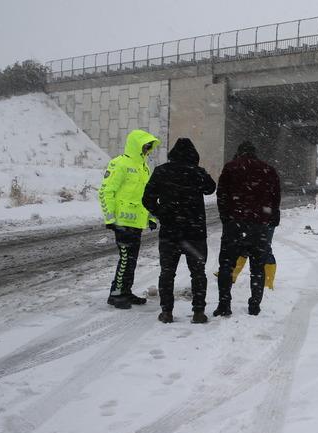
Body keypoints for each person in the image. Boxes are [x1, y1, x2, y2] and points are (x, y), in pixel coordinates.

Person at [142, 138, 216, 324]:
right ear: (194, 155)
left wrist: (161, 214)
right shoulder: (197, 172)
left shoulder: (162, 171)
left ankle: (167, 312)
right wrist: (199, 173)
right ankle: (199, 312)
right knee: (198, 273)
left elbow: (147, 199)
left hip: (170, 232)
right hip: (195, 232)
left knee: (167, 273)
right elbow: (211, 188)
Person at [214, 141, 281, 317]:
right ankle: (254, 305)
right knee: (257, 267)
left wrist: (226, 218)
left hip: (234, 224)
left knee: (226, 265)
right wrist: (272, 218)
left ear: (239, 152)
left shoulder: (230, 168)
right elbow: (275, 196)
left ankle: (224, 304)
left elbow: (221, 194)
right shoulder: (268, 170)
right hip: (259, 226)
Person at [99, 129, 160, 309]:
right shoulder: (119, 164)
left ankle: (125, 291)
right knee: (125, 259)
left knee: (131, 260)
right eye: (145, 145)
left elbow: (145, 196)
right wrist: (110, 219)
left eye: (149, 146)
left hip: (136, 223)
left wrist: (151, 217)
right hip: (122, 223)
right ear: (136, 145)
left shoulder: (144, 167)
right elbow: (105, 192)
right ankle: (116, 294)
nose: (148, 149)